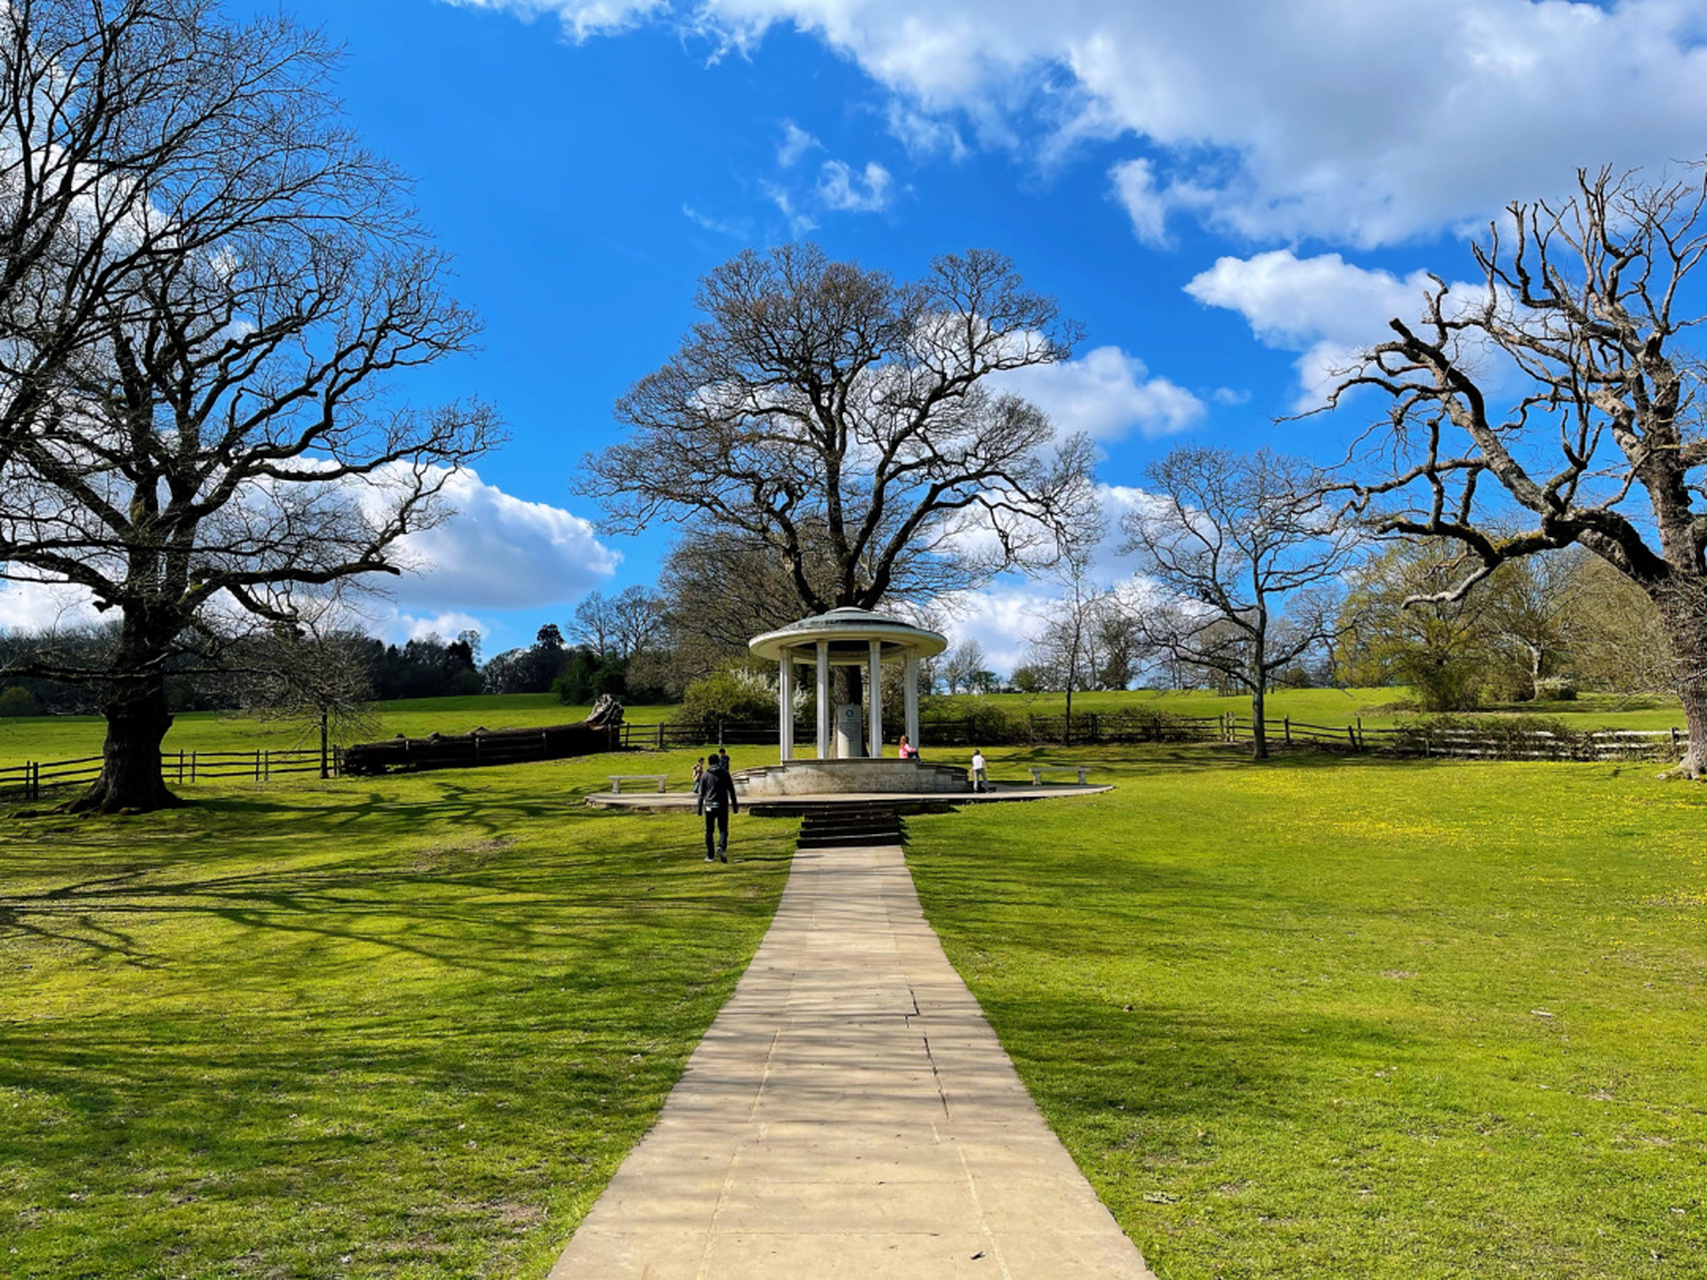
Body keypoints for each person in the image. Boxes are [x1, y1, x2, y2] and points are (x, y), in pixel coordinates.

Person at [695, 752, 739, 862]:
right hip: (722, 804)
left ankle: (710, 855)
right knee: (723, 828)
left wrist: (699, 808)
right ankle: (721, 846)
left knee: (709, 830)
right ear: (719, 762)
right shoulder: (725, 773)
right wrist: (734, 806)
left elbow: (701, 793)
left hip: (709, 805)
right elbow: (731, 790)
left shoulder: (705, 775)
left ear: (709, 763)